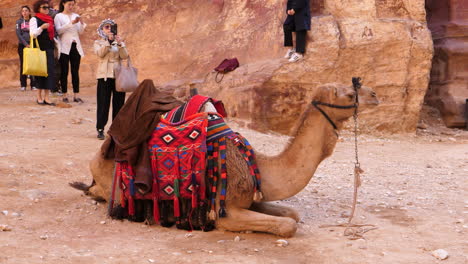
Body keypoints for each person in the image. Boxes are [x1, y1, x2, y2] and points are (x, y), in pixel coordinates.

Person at [94, 19, 127, 140]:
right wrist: (108, 41)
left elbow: (124, 56)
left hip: (118, 75)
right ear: (102, 29)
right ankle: (100, 128)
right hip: (104, 76)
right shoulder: (98, 42)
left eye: (111, 27)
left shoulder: (119, 41)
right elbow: (100, 54)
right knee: (103, 103)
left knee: (119, 103)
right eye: (106, 27)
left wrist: (120, 44)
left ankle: (116, 129)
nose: (109, 29)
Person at [54, 0, 86, 103]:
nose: (71, 6)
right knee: (64, 72)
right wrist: (70, 23)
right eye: (69, 4)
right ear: (63, 4)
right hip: (64, 47)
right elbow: (58, 31)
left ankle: (76, 95)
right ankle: (64, 95)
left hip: (75, 46)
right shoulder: (58, 16)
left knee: (75, 71)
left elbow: (80, 32)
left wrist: (81, 24)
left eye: (72, 4)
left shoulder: (75, 15)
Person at [30, 0, 56, 105]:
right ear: (38, 8)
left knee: (49, 72)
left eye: (48, 8)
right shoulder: (34, 19)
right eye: (44, 7)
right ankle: (39, 96)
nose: (47, 9)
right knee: (40, 72)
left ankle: (47, 96)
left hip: (49, 48)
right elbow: (32, 35)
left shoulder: (50, 19)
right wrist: (41, 27)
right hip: (39, 49)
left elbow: (52, 35)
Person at [16, 6, 37, 91]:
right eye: (23, 11)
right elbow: (19, 34)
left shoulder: (33, 21)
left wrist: (31, 44)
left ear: (29, 12)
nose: (24, 12)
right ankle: (23, 84)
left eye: (26, 11)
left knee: (33, 64)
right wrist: (25, 44)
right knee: (23, 64)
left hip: (32, 45)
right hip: (22, 46)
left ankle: (34, 85)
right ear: (21, 13)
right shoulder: (19, 22)